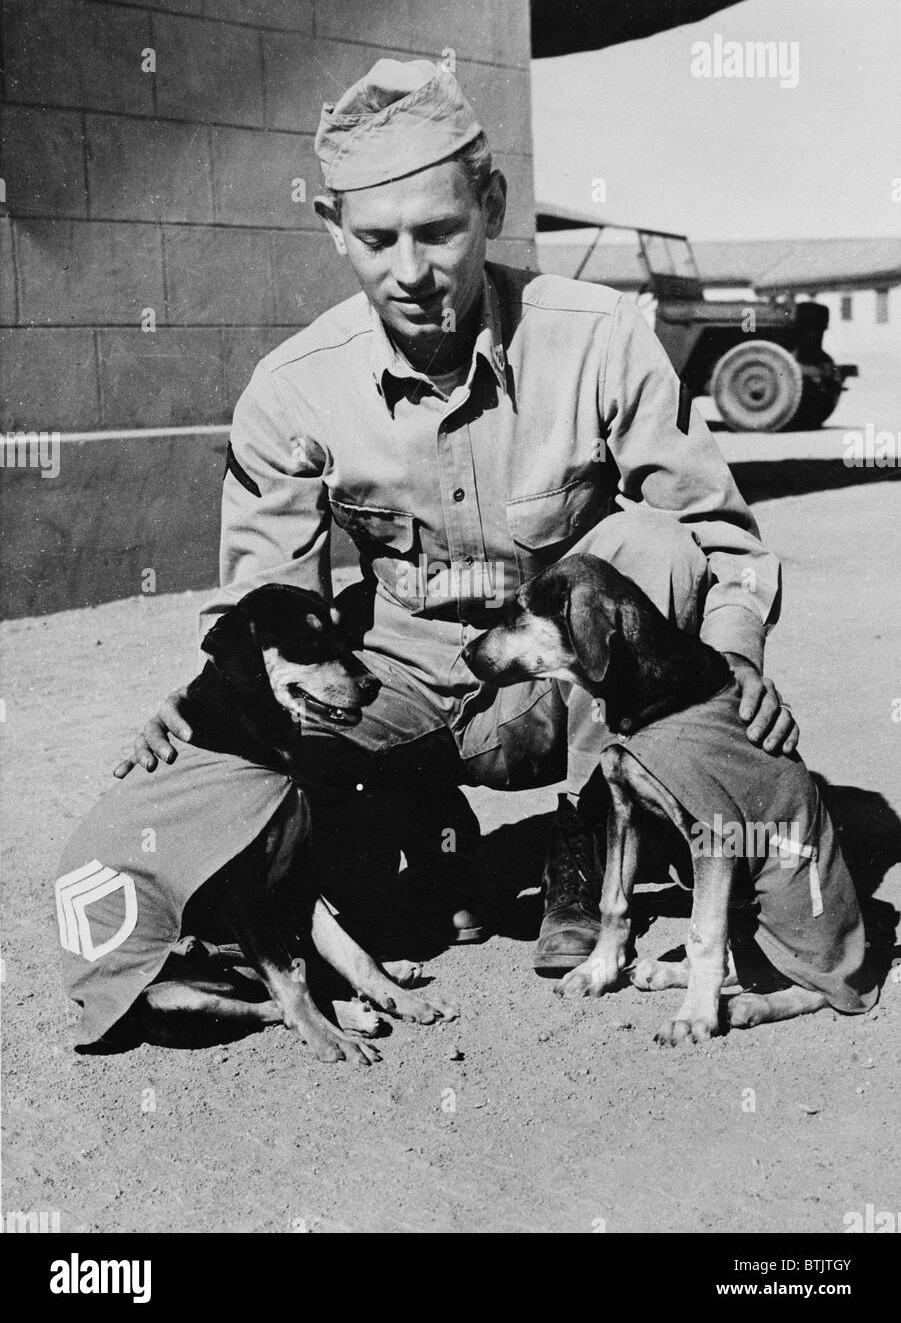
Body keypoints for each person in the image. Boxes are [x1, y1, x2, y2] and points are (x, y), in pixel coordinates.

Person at [117, 58, 797, 972]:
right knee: (263, 813)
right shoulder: (291, 391)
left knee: (652, 546)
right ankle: (425, 829)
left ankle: (590, 840)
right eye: (375, 239)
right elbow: (261, 608)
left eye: (438, 232)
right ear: (333, 229)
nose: (410, 273)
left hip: (561, 686)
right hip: (396, 682)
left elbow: (718, 539)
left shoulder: (600, 340)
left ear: (494, 204)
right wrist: (205, 708)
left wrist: (737, 658)